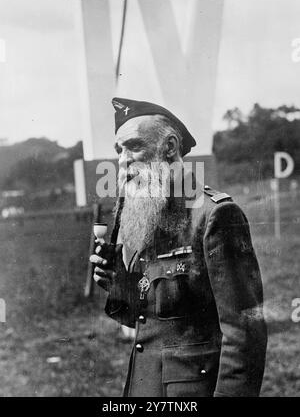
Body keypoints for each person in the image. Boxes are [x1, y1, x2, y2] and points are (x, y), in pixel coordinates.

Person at [90, 97, 267, 397]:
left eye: (134, 146)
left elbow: (245, 334)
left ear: (169, 147)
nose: (122, 160)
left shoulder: (213, 215)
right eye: (119, 150)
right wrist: (119, 287)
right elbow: (149, 320)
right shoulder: (142, 213)